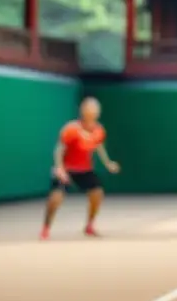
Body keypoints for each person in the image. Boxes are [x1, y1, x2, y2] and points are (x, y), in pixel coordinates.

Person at [41, 96, 120, 240]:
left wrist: (108, 162)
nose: (92, 111)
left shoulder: (99, 130)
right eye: (89, 108)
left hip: (84, 170)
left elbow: (99, 146)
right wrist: (60, 168)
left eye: (95, 108)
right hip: (66, 169)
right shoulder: (71, 129)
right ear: (83, 111)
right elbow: (59, 149)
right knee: (55, 198)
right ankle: (46, 228)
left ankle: (89, 226)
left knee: (97, 193)